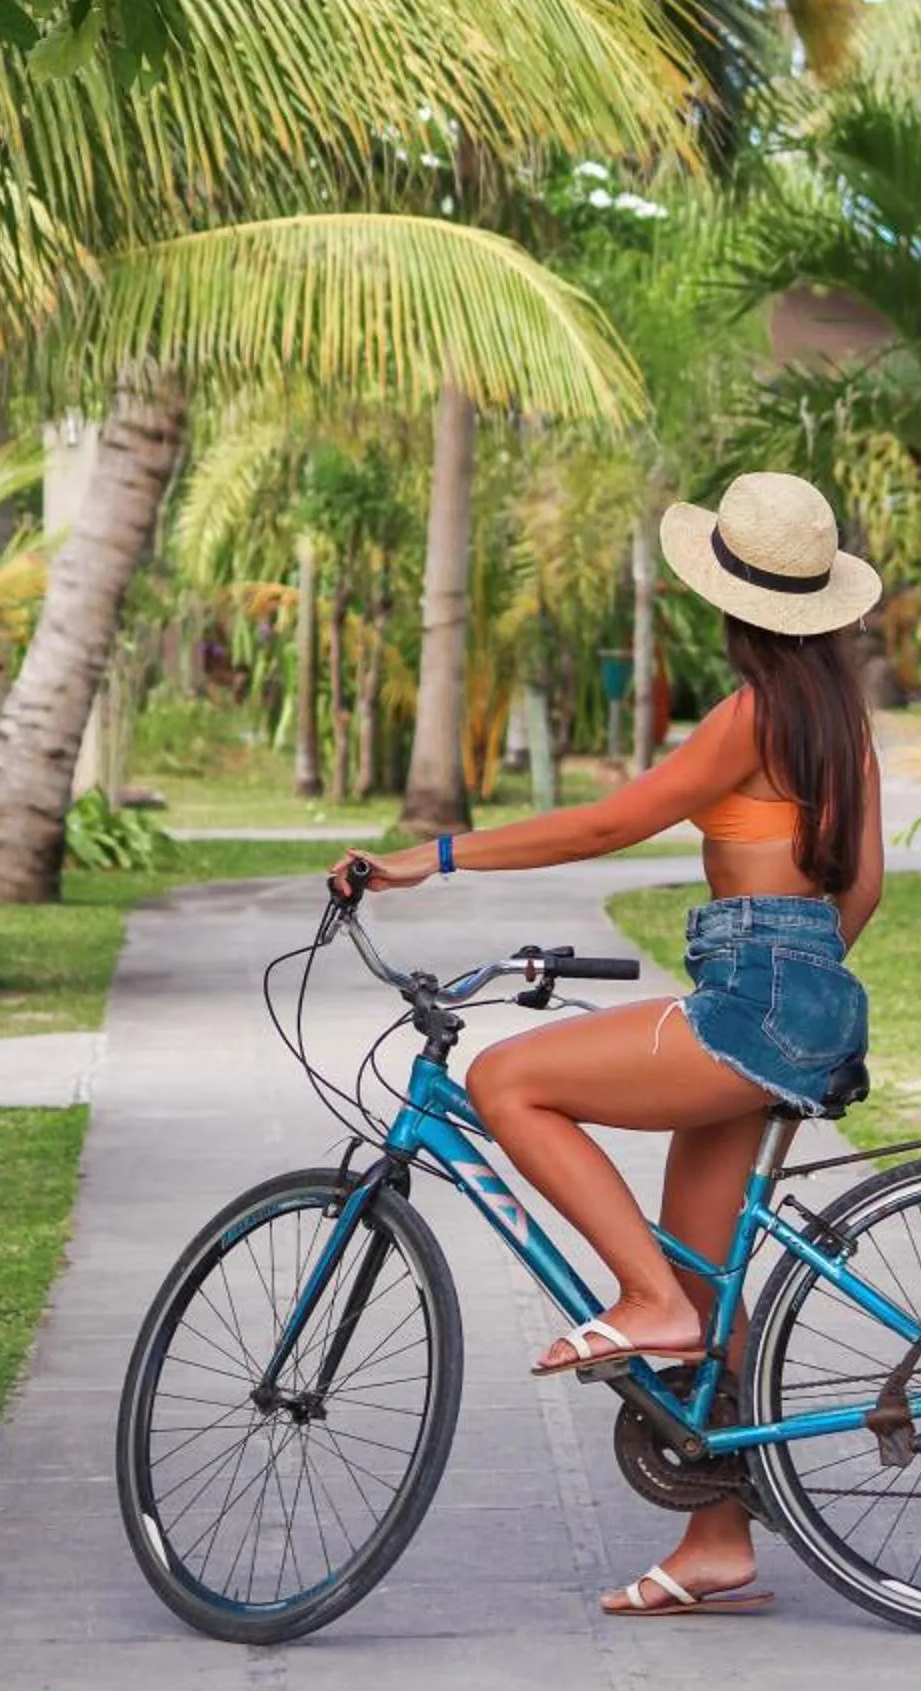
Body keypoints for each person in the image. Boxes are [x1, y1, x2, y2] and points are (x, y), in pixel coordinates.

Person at [330, 470, 882, 1621]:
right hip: (807, 990)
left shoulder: (748, 718)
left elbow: (609, 823)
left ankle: (642, 1302)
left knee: (504, 1075)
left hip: (751, 999)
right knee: (700, 1278)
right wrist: (795, 989)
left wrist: (426, 860)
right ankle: (717, 1536)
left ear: (731, 605)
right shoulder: (837, 723)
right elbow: (861, 888)